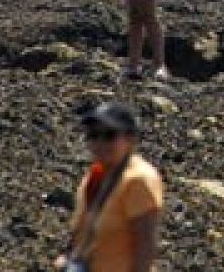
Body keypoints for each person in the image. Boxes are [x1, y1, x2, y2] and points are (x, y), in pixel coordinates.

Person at [56, 102, 164, 272]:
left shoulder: (139, 180)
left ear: (130, 139)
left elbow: (145, 245)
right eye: (93, 135)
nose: (100, 142)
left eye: (109, 135)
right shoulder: (97, 174)